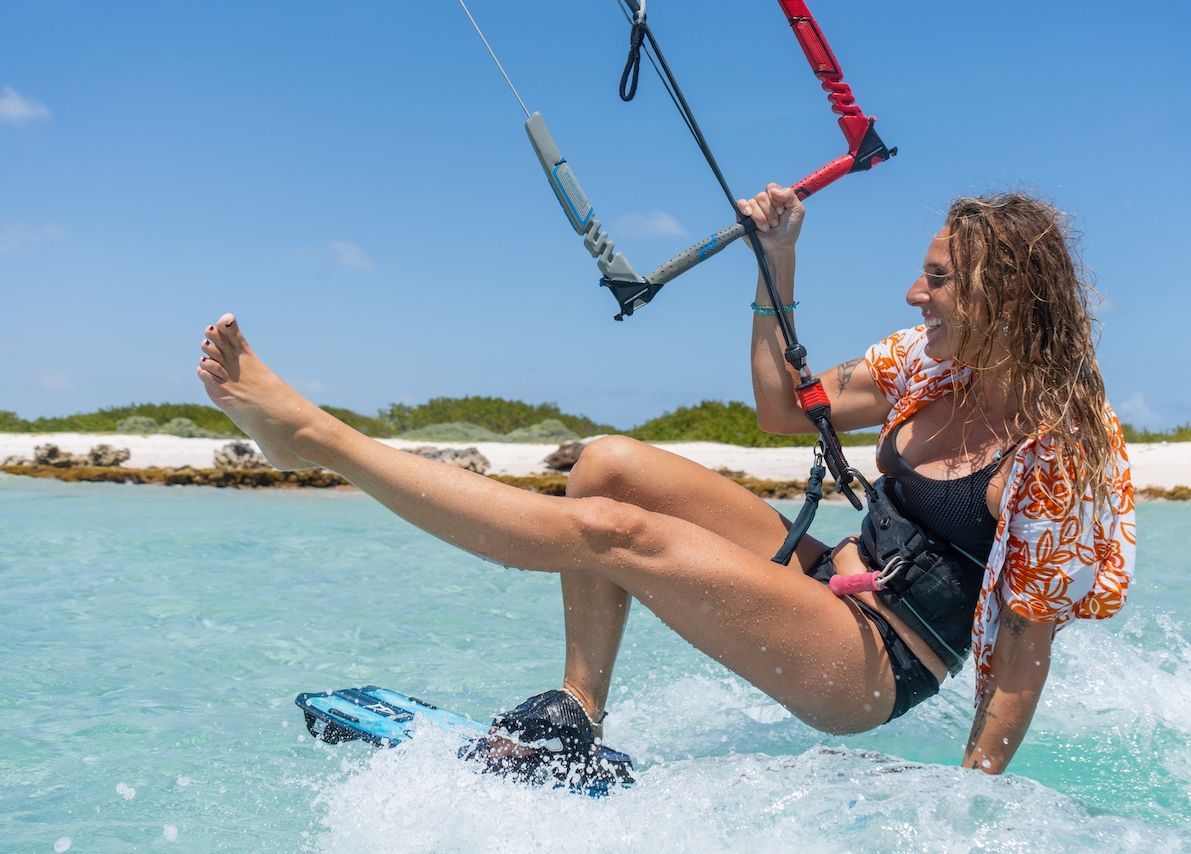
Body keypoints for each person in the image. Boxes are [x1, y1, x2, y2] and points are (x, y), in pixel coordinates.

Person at [195, 184, 1134, 776]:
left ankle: (317, 439)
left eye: (937, 280)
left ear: (1006, 299)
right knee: (607, 464)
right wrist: (777, 262)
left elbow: (1023, 650)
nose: (913, 294)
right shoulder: (927, 362)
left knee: (622, 539)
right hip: (828, 578)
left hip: (875, 664)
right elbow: (782, 407)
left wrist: (974, 804)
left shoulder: (1059, 451)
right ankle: (578, 709)